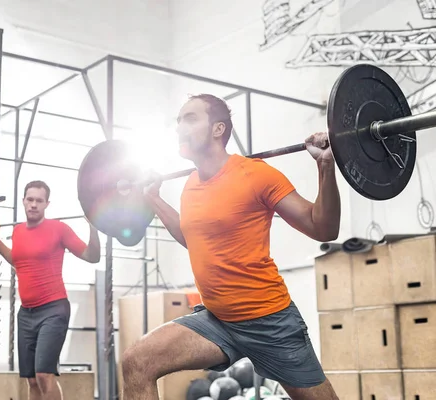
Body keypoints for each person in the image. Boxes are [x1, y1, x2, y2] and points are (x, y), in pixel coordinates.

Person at [120, 94, 342, 400]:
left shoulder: (256, 174)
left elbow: (323, 228)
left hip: (270, 322)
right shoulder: (191, 185)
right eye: (178, 120)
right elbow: (192, 239)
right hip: (217, 321)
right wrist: (154, 199)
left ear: (218, 129)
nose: (179, 128)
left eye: (190, 118)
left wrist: (325, 166)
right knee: (137, 362)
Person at [0, 180, 101, 400]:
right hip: (26, 314)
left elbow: (92, 256)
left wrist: (94, 227)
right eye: (30, 199)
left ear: (47, 204)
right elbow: (18, 260)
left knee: (43, 375)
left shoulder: (59, 229)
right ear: (23, 201)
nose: (33, 204)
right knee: (31, 379)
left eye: (39, 200)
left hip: (53, 310)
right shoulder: (18, 230)